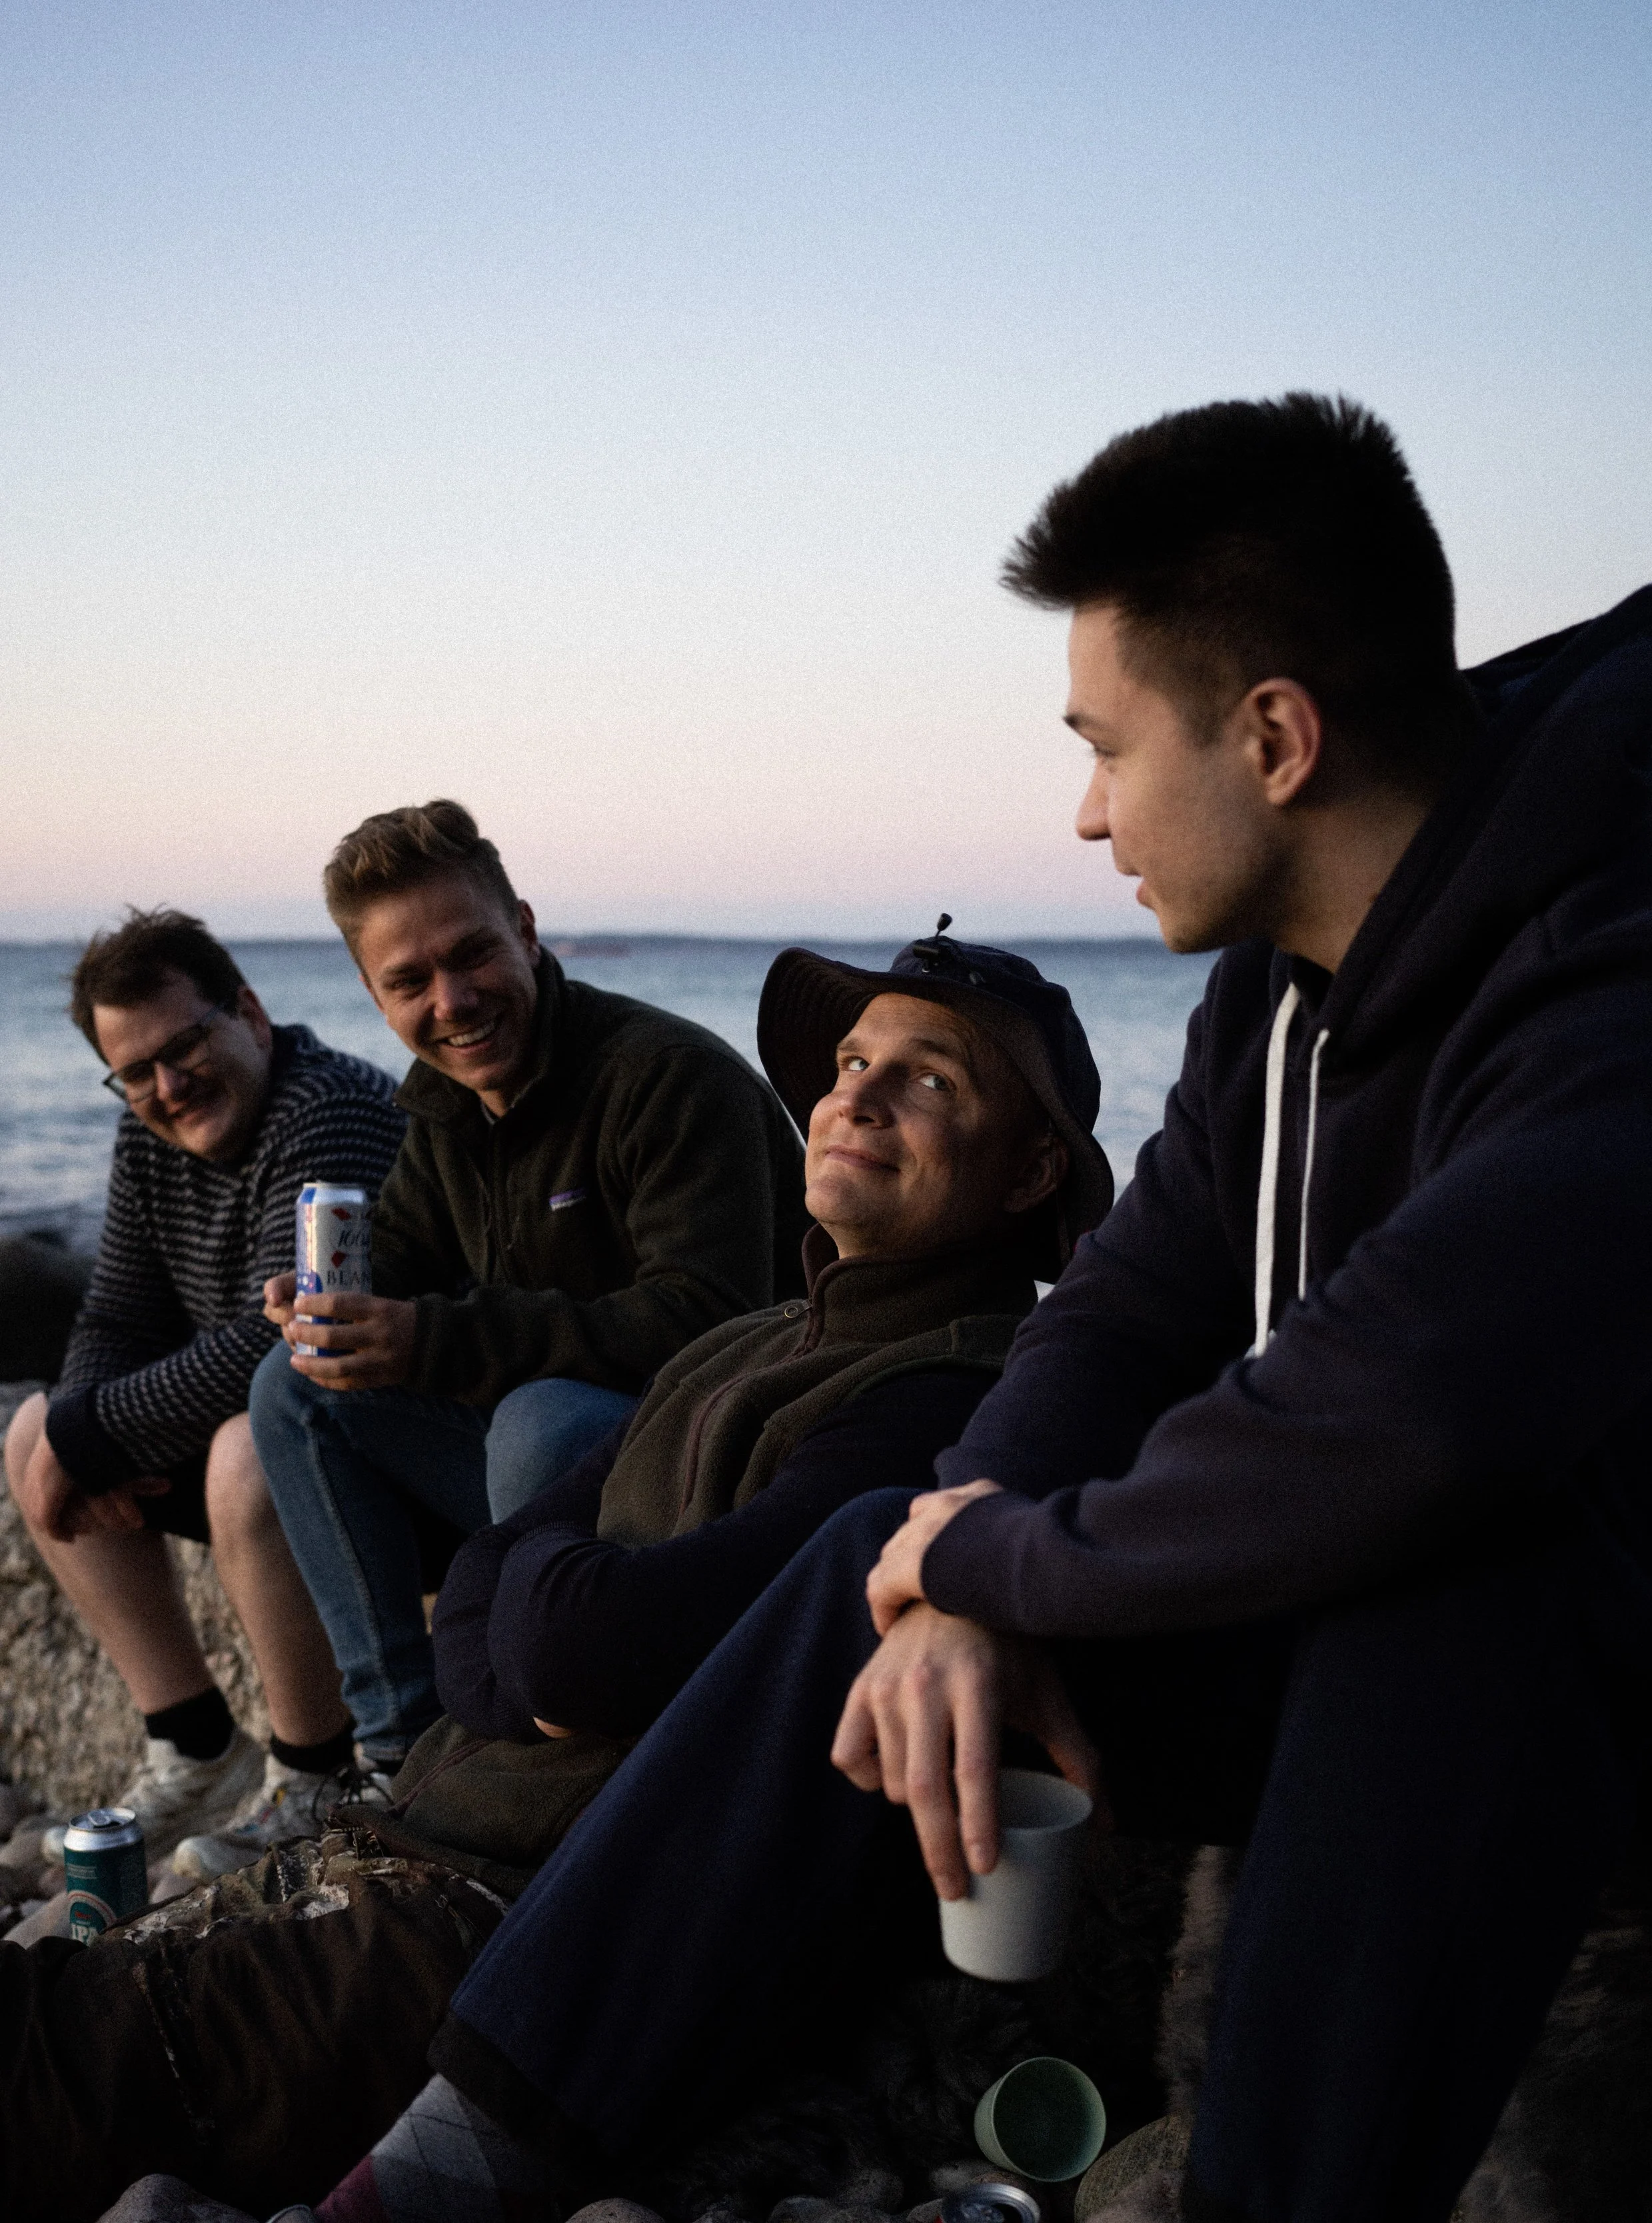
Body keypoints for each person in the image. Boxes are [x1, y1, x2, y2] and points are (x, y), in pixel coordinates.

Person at [298, 401, 1652, 2223]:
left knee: (1448, 1593)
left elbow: (1404, 1404)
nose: (1085, 808)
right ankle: (444, 2170)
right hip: (1324, 1627)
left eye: (1103, 744)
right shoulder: (1272, 996)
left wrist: (1012, 1565)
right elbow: (1114, 1307)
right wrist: (954, 1564)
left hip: (1562, 1675)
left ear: (1271, 736)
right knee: (881, 1530)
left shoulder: (1610, 983)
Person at [0, 933, 1112, 2223]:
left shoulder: (943, 1402)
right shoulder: (754, 1341)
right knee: (60, 2006)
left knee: (56, 2080)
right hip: (397, 1842)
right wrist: (533, 1622)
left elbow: (594, 1647)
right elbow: (492, 1589)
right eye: (853, 1060)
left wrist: (538, 1617)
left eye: (930, 1082)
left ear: (1034, 1168)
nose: (855, 1093)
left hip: (504, 1930)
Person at [243, 799, 809, 1805]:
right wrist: (323, 1313)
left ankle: (535, 1761)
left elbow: (706, 1322)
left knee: (537, 1421)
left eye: (472, 956)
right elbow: (407, 1269)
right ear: (375, 997)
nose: (452, 1001)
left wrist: (432, 1340)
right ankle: (397, 1758)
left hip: (710, 1477)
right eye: (409, 981)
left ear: (528, 932)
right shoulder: (446, 1104)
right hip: (551, 1484)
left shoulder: (669, 1080)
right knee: (295, 1386)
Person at [2, 909, 407, 1868]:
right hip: (267, 1424)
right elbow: (115, 1319)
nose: (167, 1086)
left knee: (241, 1442)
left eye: (186, 1045)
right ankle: (194, 1748)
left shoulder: (328, 1111)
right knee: (31, 1430)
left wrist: (97, 1437)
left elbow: (273, 1342)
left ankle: (312, 1774)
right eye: (135, 1071)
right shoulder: (148, 1138)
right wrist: (75, 1436)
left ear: (251, 1015)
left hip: (374, 1443)